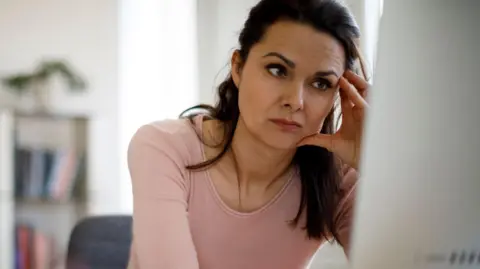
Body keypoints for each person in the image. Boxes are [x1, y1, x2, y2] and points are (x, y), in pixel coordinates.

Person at [127, 0, 369, 268]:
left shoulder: (338, 179)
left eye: (321, 83)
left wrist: (375, 164)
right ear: (238, 68)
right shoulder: (164, 147)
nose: (295, 101)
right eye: (277, 70)